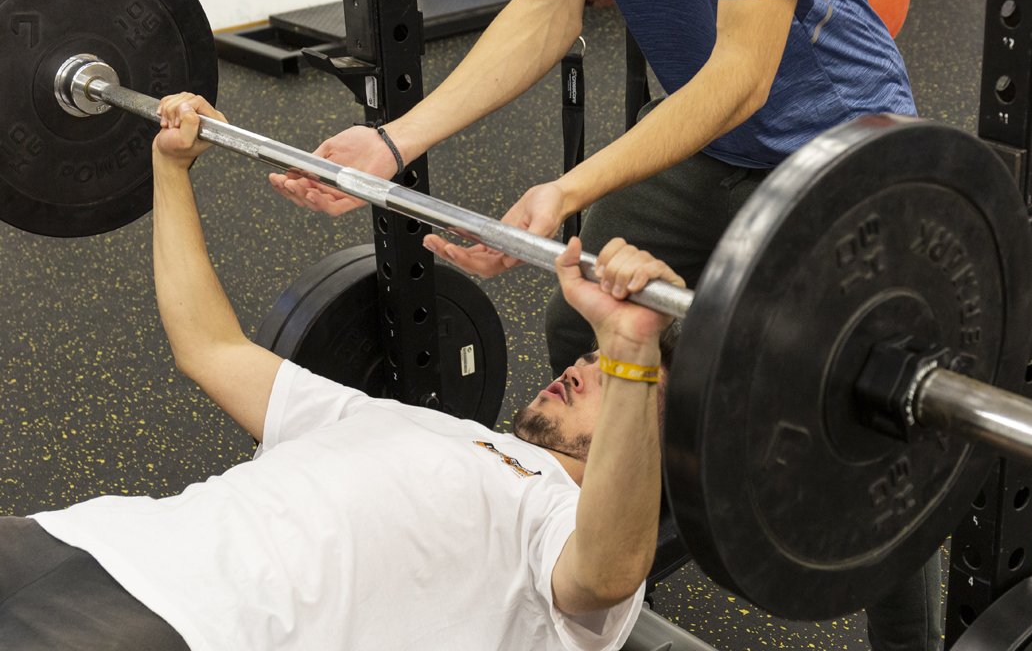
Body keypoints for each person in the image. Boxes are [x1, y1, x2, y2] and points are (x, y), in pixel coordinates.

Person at [268, 0, 938, 647]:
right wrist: (396, 141)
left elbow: (745, 73)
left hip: (838, 138)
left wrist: (564, 191)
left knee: (870, 418)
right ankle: (601, 572)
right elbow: (546, 9)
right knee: (584, 334)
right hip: (706, 138)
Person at [0, 95, 681, 651]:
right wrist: (171, 168)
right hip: (94, 536)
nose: (579, 370)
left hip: (195, 631)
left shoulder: (559, 524)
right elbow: (210, 348)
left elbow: (608, 570)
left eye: (610, 380)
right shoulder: (415, 423)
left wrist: (631, 351)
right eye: (589, 358)